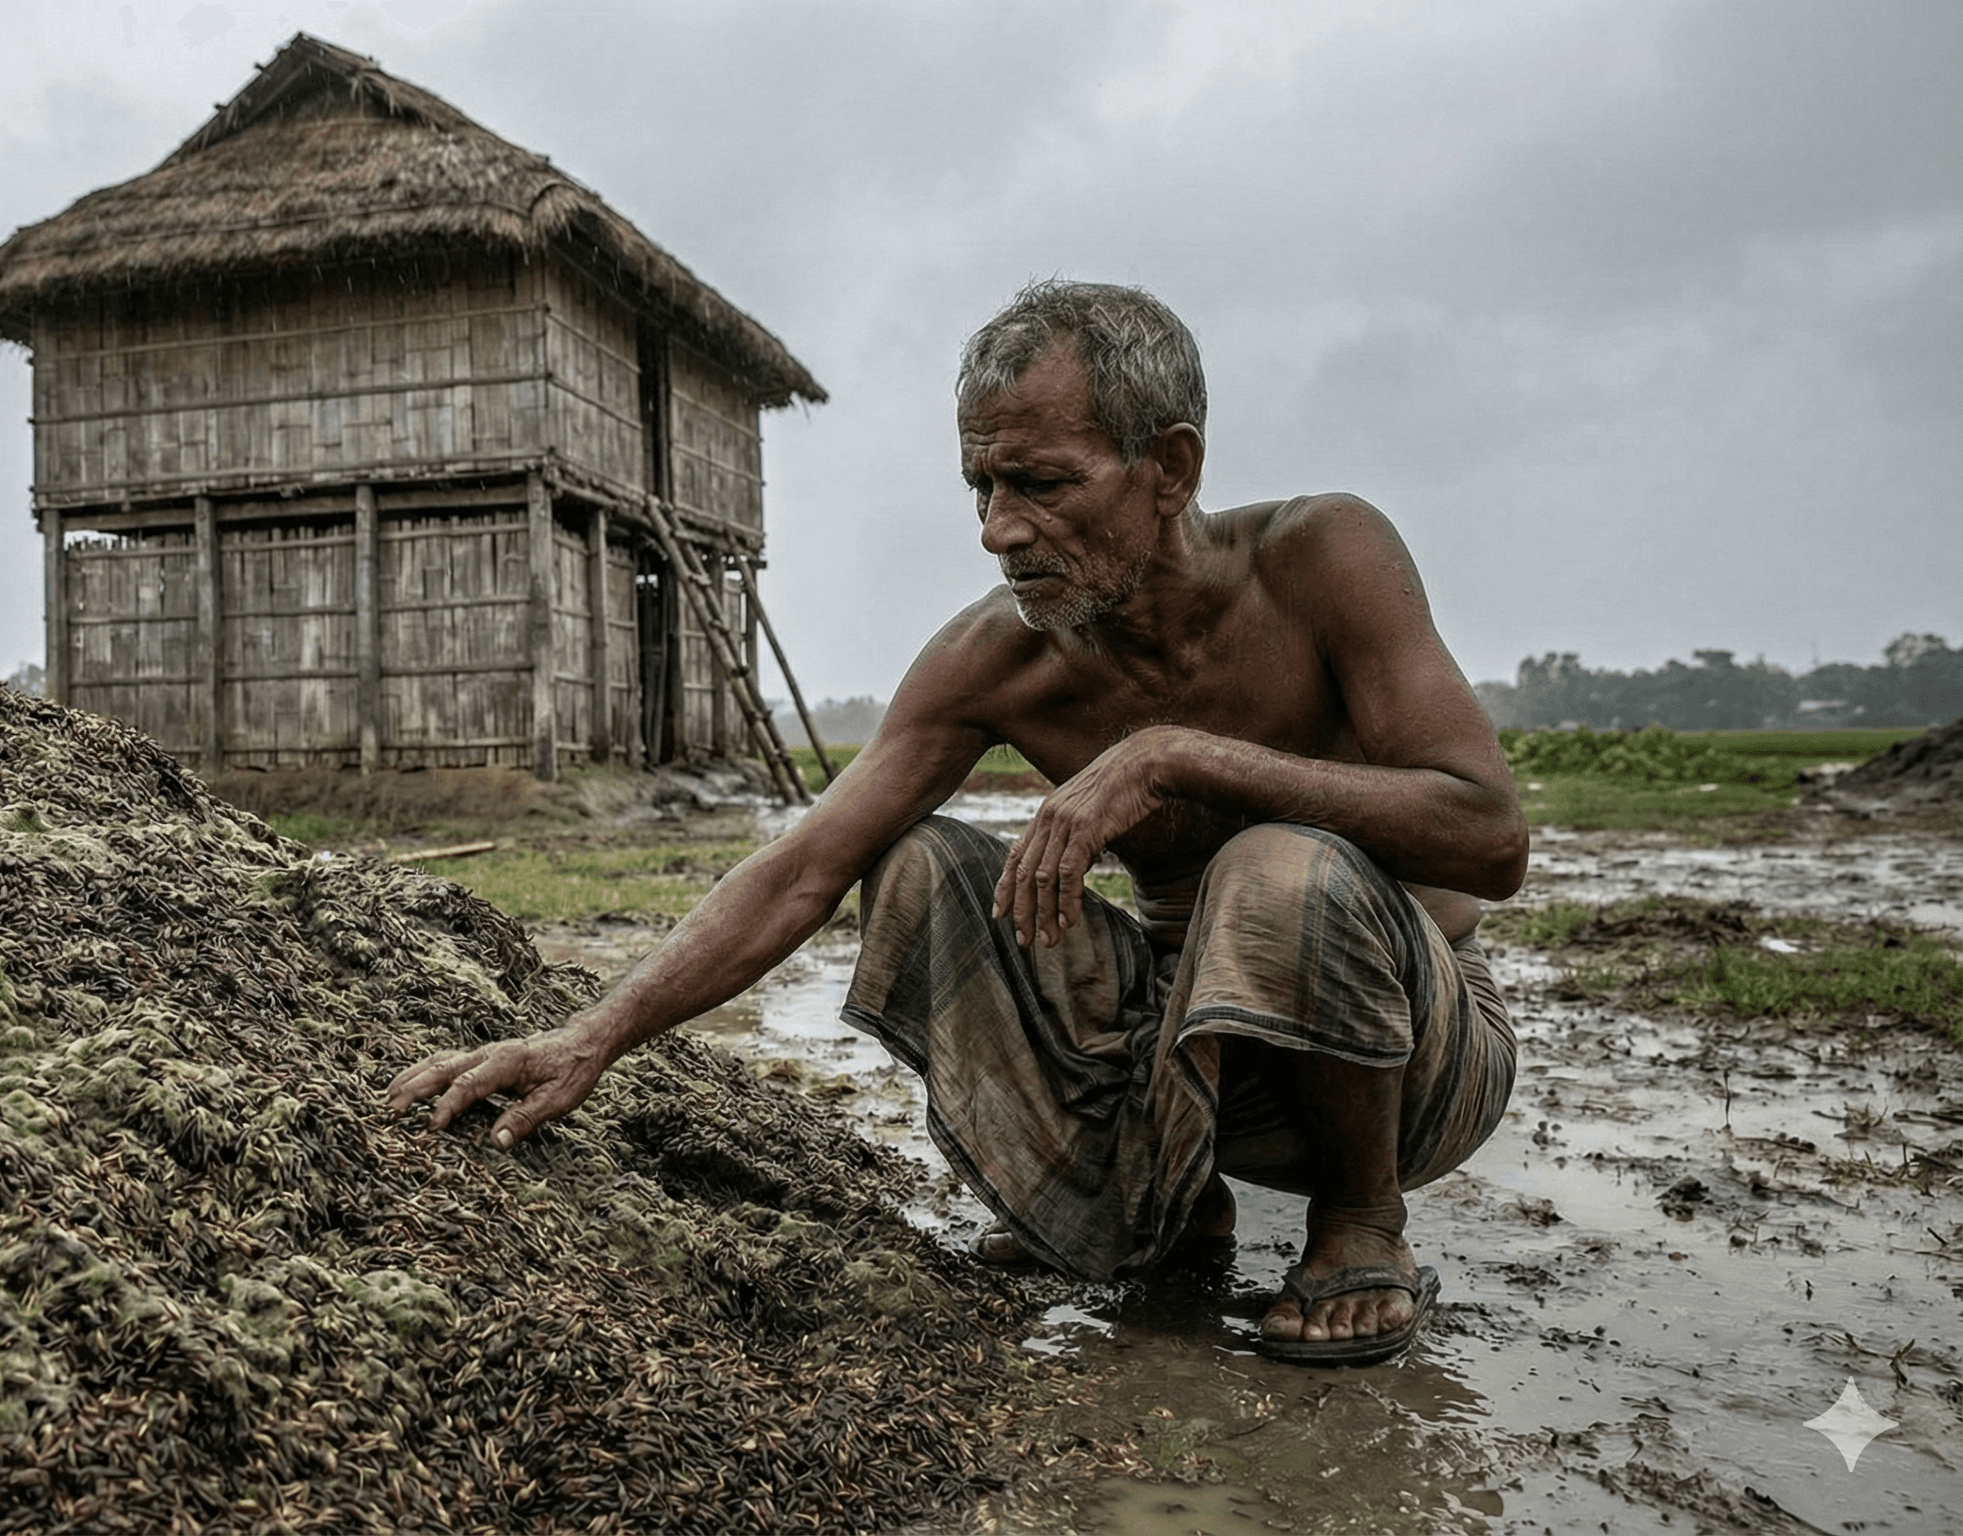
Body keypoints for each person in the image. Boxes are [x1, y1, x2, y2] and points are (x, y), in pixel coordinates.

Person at [385, 279, 1525, 1366]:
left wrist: (1178, 756)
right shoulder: (996, 655)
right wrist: (588, 1035)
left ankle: (1359, 1224)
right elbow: (800, 868)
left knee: (1278, 867)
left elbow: (1487, 838)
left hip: (1407, 1056)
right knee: (923, 863)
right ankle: (1156, 1210)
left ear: (1167, 468)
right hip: (1179, 1054)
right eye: (979, 489)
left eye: (1040, 485)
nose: (997, 530)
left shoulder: (1320, 558)